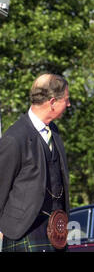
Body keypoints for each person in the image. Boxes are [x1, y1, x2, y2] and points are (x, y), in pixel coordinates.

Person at [0, 73, 71, 252]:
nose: (69, 104)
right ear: (53, 102)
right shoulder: (15, 138)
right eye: (67, 100)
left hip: (56, 233)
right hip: (23, 232)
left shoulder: (53, 131)